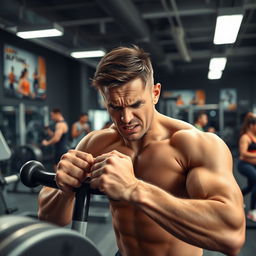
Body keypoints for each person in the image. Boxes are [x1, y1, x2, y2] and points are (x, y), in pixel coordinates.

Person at [38, 46, 245, 256]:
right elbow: (49, 218)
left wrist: (134, 189)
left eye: (136, 104)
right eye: (115, 107)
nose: (126, 119)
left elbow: (231, 235)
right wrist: (63, 188)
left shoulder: (194, 145)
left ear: (155, 93)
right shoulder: (96, 144)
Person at [237, 112, 256, 222]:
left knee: (250, 187)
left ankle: (236, 199)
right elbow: (243, 153)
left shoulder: (254, 136)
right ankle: (252, 211)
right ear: (251, 126)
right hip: (244, 165)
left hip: (253, 165)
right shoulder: (245, 137)